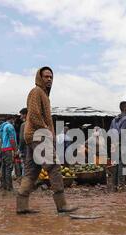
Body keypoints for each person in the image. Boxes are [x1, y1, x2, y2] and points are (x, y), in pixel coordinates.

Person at [17, 66, 78, 214]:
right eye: (46, 77)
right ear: (39, 78)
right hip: (39, 135)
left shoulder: (43, 94)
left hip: (33, 136)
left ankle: (21, 205)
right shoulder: (37, 91)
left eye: (51, 77)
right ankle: (61, 204)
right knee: (54, 167)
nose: (49, 79)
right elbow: (34, 115)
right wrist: (47, 130)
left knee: (32, 171)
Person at [109, 101, 126, 191]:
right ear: (125, 109)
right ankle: (121, 185)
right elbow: (122, 132)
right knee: (122, 163)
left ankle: (114, 185)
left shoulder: (114, 120)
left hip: (115, 144)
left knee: (116, 164)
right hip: (122, 144)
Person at [0, 115, 18, 191]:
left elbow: (2, 140)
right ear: (12, 119)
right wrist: (15, 150)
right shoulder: (10, 126)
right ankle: (9, 187)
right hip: (9, 149)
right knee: (9, 168)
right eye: (14, 120)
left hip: (3, 149)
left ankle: (3, 185)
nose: (14, 122)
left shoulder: (2, 127)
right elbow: (12, 139)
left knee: (3, 168)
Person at [18, 108, 28, 176]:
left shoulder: (24, 125)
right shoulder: (35, 123)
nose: (20, 117)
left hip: (26, 150)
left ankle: (25, 183)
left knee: (25, 167)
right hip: (35, 150)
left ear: (25, 115)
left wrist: (20, 150)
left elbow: (22, 139)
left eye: (21, 115)